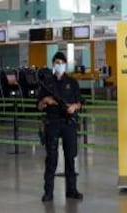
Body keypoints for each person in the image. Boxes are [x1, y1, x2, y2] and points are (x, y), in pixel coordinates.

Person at [37, 52, 83, 202]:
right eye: (56, 62)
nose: (59, 65)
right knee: (51, 158)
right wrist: (45, 100)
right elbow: (38, 106)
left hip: (69, 123)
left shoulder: (72, 82)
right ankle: (48, 192)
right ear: (53, 64)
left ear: (65, 64)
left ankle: (72, 190)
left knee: (70, 157)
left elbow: (81, 102)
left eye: (61, 62)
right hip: (52, 123)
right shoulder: (46, 83)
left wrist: (74, 107)